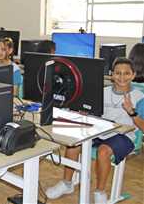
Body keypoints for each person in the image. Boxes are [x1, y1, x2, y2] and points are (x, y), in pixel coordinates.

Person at [45, 58, 144, 204]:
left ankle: (100, 191)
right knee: (74, 142)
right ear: (111, 75)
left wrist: (132, 112)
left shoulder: (140, 97)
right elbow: (92, 111)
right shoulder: (102, 91)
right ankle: (67, 183)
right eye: (118, 73)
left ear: (133, 75)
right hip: (99, 130)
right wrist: (85, 112)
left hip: (124, 135)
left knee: (103, 151)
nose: (121, 77)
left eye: (126, 73)